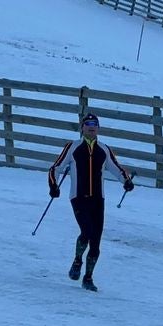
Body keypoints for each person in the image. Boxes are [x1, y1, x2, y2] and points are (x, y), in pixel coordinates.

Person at [47, 113, 134, 292]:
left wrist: (126, 181)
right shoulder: (73, 147)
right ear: (82, 128)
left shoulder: (104, 149)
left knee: (96, 242)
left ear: (98, 128)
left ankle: (88, 278)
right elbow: (56, 167)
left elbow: (116, 169)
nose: (91, 127)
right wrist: (54, 186)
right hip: (78, 197)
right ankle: (77, 260)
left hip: (97, 200)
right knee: (86, 231)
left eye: (94, 124)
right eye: (88, 124)